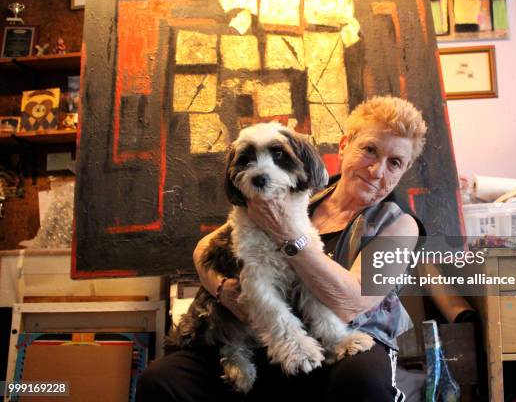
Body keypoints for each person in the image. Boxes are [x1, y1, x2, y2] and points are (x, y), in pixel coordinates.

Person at [136, 95, 428, 402]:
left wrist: (288, 235)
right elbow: (203, 250)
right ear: (344, 146)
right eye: (370, 150)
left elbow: (351, 303)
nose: (377, 170)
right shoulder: (294, 191)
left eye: (395, 162)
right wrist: (224, 290)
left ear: (404, 169)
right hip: (266, 334)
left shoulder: (400, 227)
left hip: (344, 343)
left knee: (361, 380)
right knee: (161, 379)